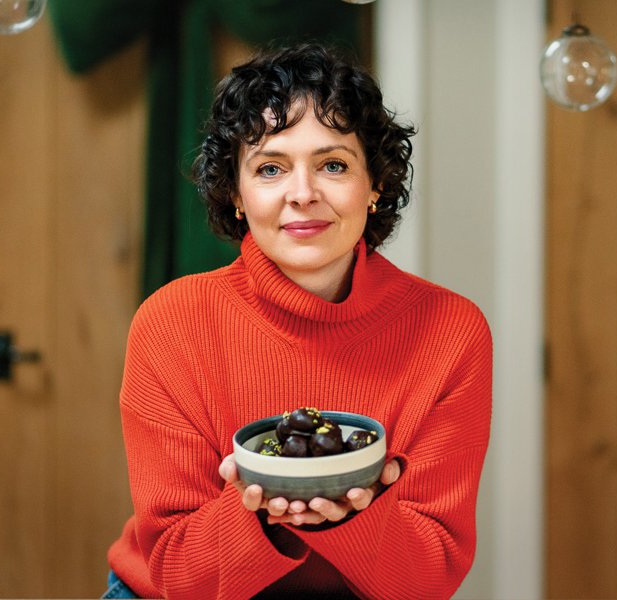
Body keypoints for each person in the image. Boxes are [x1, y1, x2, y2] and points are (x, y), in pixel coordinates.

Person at [103, 43, 493, 600]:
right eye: (270, 168)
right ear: (236, 195)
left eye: (333, 164)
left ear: (375, 185)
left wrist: (351, 516)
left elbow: (427, 578)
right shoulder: (171, 324)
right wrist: (259, 514)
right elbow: (181, 574)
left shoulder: (452, 331)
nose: (303, 194)